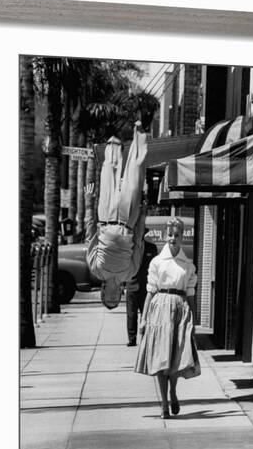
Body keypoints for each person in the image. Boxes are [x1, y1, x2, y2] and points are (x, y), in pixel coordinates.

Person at [134, 218, 201, 419]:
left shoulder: (188, 266)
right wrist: (144, 319)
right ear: (166, 235)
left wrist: (194, 321)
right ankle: (164, 403)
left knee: (175, 357)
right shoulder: (156, 262)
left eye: (177, 235)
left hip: (180, 310)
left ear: (182, 236)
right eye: (170, 234)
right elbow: (150, 292)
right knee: (161, 359)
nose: (173, 238)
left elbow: (191, 295)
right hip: (159, 311)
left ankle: (173, 392)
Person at [85, 121, 148, 309]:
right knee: (136, 174)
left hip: (105, 216)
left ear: (103, 294)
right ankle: (139, 133)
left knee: (109, 168)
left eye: (108, 299)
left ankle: (113, 135)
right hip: (128, 219)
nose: (113, 297)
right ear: (121, 295)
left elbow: (90, 238)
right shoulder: (130, 273)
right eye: (115, 300)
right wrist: (143, 214)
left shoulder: (96, 270)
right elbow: (138, 242)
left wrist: (89, 202)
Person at [125, 233, 158, 346]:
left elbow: (156, 268)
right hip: (131, 284)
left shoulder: (151, 248)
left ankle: (146, 337)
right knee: (131, 314)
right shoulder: (128, 248)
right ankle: (132, 339)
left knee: (147, 313)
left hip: (146, 286)